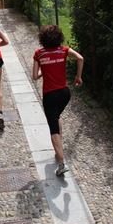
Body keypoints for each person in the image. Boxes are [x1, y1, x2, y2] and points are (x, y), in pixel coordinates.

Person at [32, 24, 84, 175]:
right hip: (65, 93)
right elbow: (80, 58)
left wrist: (43, 70)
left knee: (53, 127)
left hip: (50, 95)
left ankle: (62, 163)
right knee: (57, 117)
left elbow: (35, 77)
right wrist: (78, 76)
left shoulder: (39, 54)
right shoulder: (64, 50)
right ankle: (58, 149)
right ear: (58, 37)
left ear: (42, 38)